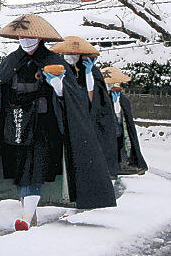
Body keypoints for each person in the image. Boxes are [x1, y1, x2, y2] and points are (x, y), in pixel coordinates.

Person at [0, 14, 116, 231]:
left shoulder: (54, 62)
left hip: (43, 126)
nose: (25, 40)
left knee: (34, 170)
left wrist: (59, 87)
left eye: (30, 36)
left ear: (40, 38)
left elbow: (71, 98)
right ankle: (30, 216)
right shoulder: (10, 61)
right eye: (21, 36)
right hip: (16, 124)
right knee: (20, 171)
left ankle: (26, 218)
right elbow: (3, 92)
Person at [50, 37, 119, 179]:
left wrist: (88, 74)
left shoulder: (92, 71)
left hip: (86, 117)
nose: (70, 57)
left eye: (74, 54)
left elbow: (95, 98)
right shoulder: (57, 69)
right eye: (67, 54)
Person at [102, 66, 149, 175]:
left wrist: (116, 105)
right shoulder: (100, 98)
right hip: (107, 131)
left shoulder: (122, 99)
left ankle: (124, 165)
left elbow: (123, 117)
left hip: (118, 129)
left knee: (121, 147)